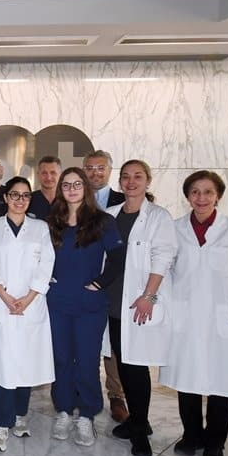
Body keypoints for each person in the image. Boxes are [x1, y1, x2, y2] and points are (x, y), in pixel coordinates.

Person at [160, 171, 228, 456]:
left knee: (222, 383)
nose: (201, 198)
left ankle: (215, 443)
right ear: (188, 196)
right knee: (187, 379)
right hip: (185, 316)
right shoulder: (175, 229)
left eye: (208, 192)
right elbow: (166, 270)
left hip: (222, 318)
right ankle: (191, 435)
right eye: (195, 192)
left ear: (218, 196)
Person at [0, 177, 55, 452]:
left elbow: (46, 265)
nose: (20, 200)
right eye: (15, 195)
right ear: (6, 198)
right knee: (1, 366)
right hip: (1, 303)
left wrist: (28, 298)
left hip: (30, 305)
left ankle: (20, 415)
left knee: (25, 363)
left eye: (25, 196)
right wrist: (6, 296)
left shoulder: (40, 228)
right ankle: (0, 425)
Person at [46, 167, 124, 447]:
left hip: (90, 305)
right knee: (62, 359)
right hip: (57, 303)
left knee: (88, 360)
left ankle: (87, 415)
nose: (71, 189)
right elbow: (37, 255)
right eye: (66, 185)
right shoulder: (52, 222)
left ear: (86, 188)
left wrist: (100, 283)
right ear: (60, 190)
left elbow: (118, 257)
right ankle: (64, 411)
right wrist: (44, 277)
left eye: (77, 184)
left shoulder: (102, 222)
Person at [105, 159, 177, 456]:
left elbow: (164, 256)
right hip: (113, 301)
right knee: (123, 362)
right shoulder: (110, 214)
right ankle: (137, 420)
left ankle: (140, 429)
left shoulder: (158, 216)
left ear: (148, 181)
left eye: (137, 176)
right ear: (119, 182)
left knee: (136, 366)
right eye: (126, 177)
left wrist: (148, 295)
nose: (131, 182)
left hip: (138, 301)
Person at [84, 149, 129, 423]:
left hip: (111, 282)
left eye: (100, 168)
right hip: (81, 281)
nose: (95, 173)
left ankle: (116, 395)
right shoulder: (73, 200)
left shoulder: (123, 202)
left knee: (111, 342)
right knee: (83, 342)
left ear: (110, 171)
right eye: (90, 168)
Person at [28, 155, 60, 220]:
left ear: (61, 175)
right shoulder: (28, 199)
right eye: (44, 173)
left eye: (53, 173)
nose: (48, 177)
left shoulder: (68, 201)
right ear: (38, 175)